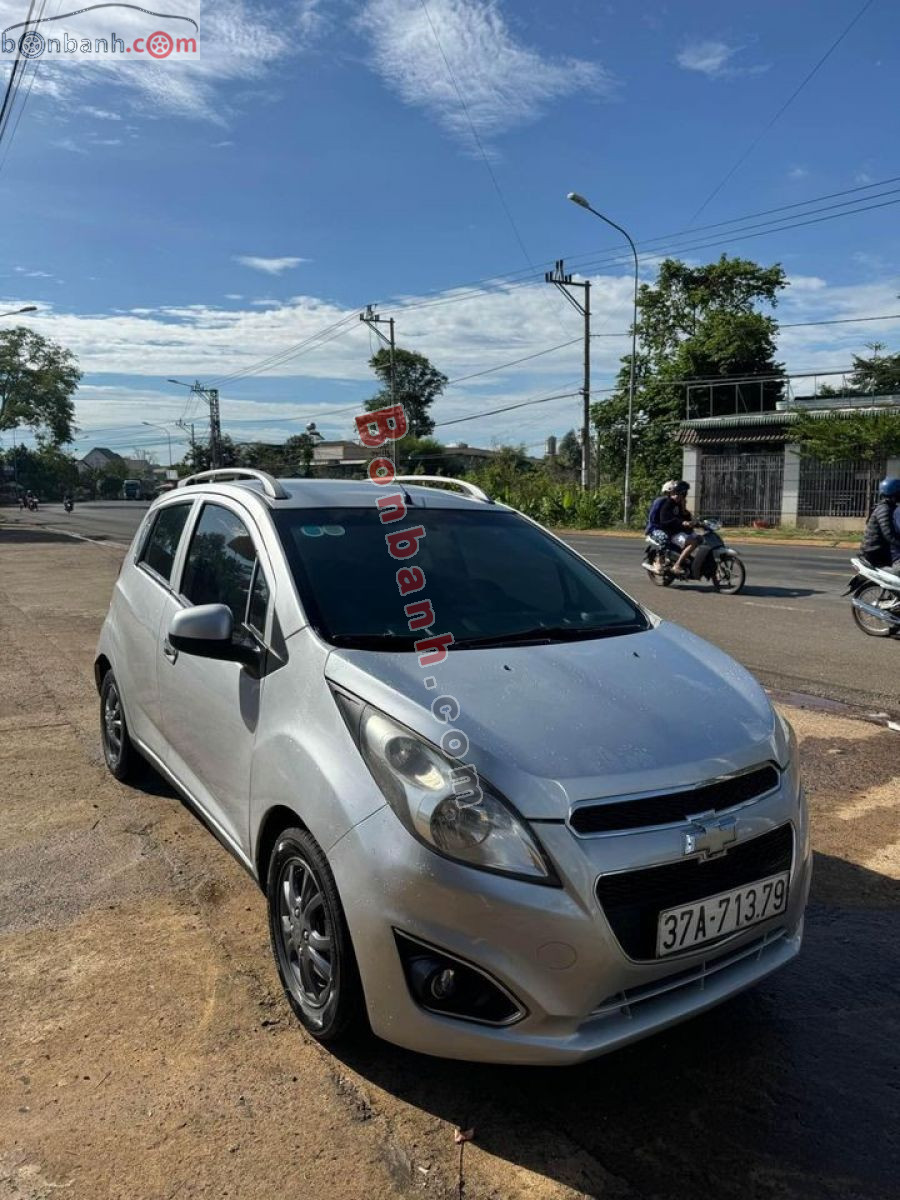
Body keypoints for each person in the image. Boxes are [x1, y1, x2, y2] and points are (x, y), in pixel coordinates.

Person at [657, 481, 700, 576]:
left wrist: (690, 517)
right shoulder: (668, 504)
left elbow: (685, 517)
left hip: (681, 532)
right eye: (683, 493)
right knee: (693, 542)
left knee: (701, 539)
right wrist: (682, 522)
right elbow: (664, 521)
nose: (684, 496)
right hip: (672, 533)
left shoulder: (679, 504)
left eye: (685, 494)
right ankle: (677, 565)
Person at [860, 477, 900, 572]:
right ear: (894, 493)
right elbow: (888, 534)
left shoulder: (890, 507)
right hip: (874, 551)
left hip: (881, 550)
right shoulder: (884, 509)